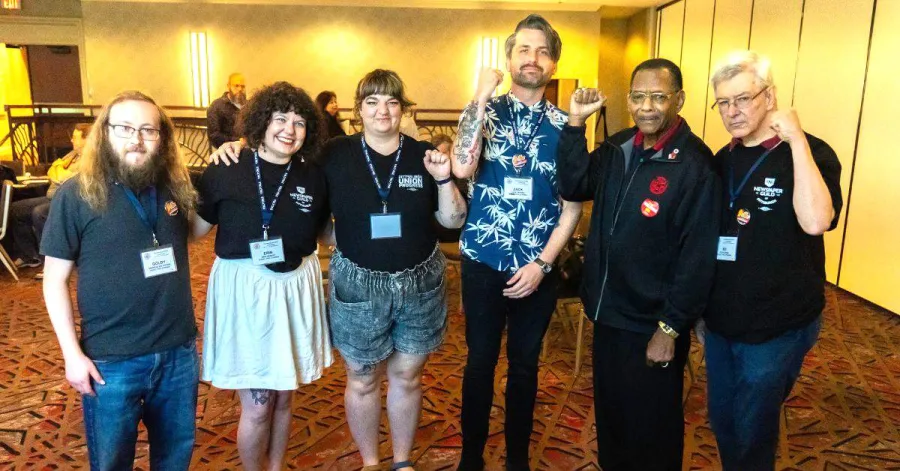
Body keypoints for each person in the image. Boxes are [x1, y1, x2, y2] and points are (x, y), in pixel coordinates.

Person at [211, 69, 467, 471]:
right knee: (363, 379)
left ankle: (401, 462)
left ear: (403, 109)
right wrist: (243, 143)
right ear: (358, 111)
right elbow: (281, 161)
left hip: (420, 281)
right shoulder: (331, 155)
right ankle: (370, 462)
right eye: (372, 102)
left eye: (392, 102)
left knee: (408, 377)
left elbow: (453, 222)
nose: (383, 110)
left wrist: (445, 178)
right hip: (358, 284)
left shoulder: (423, 155)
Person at [556, 58, 721, 471]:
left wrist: (670, 327)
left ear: (679, 100)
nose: (647, 106)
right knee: (612, 416)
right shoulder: (619, 145)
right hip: (607, 312)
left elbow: (697, 258)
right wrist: (576, 125)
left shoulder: (695, 165)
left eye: (659, 97)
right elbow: (575, 184)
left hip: (652, 322)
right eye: (638, 96)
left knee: (652, 427)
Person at [450, 14, 583, 471]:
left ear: (553, 63)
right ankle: (471, 458)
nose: (533, 59)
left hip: (537, 268)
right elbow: (462, 168)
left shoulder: (568, 125)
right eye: (524, 50)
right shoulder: (484, 111)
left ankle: (517, 460)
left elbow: (572, 207)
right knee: (480, 363)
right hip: (483, 259)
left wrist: (544, 265)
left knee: (525, 367)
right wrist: (479, 97)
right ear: (509, 58)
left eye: (543, 51)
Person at [41, 90, 199, 470]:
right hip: (110, 360)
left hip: (178, 354)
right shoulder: (76, 194)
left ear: (162, 138)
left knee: (175, 459)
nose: (137, 139)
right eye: (126, 128)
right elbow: (53, 280)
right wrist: (71, 355)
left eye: (148, 130)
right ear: (105, 133)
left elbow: (197, 228)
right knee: (112, 463)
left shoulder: (176, 188)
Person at [701, 50, 842, 471]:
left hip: (778, 322)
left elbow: (816, 220)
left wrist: (796, 140)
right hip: (722, 320)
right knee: (722, 418)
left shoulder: (812, 150)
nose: (732, 111)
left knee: (752, 426)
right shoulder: (723, 158)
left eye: (743, 98)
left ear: (770, 95)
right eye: (723, 102)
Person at [193, 82, 333, 471]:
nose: (290, 129)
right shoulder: (227, 166)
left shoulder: (313, 175)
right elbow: (195, 230)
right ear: (261, 121)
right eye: (280, 118)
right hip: (245, 289)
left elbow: (326, 234)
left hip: (296, 285)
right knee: (258, 404)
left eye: (300, 122)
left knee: (286, 395)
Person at [10, 123, 90, 272]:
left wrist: (58, 170)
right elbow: (52, 171)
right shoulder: (72, 155)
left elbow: (62, 176)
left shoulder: (89, 158)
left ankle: (49, 262)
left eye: (75, 137)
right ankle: (29, 256)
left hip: (70, 200)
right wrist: (57, 170)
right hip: (52, 196)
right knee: (16, 209)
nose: (71, 141)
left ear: (86, 139)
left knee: (39, 213)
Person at [207, 73, 247, 149]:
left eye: (242, 86)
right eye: (236, 85)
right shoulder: (217, 106)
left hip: (248, 152)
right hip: (227, 153)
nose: (240, 89)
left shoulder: (249, 106)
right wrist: (238, 141)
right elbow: (214, 136)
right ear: (228, 86)